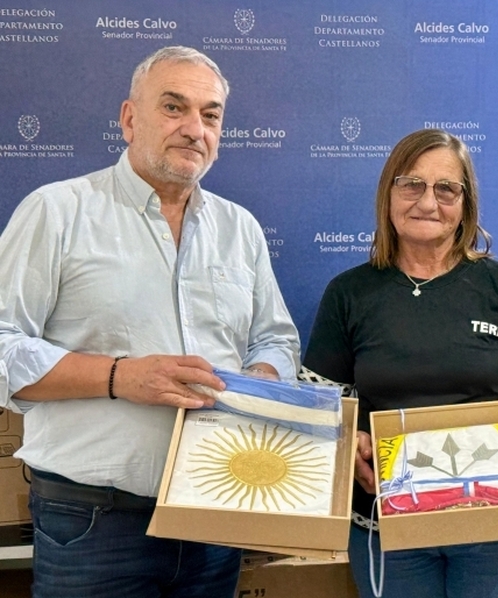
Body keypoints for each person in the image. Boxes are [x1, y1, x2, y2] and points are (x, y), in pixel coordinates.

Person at [0, 46, 300, 597]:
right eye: (173, 107)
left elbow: (276, 336)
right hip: (95, 520)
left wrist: (262, 377)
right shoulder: (57, 211)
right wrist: (121, 377)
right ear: (128, 118)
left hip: (216, 514)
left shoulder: (241, 229)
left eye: (210, 115)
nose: (194, 128)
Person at [299, 128, 498, 598]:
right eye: (412, 184)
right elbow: (320, 414)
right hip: (386, 527)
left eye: (446, 188)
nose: (428, 201)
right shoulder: (349, 294)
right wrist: (353, 447)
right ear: (388, 193)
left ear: (466, 203)